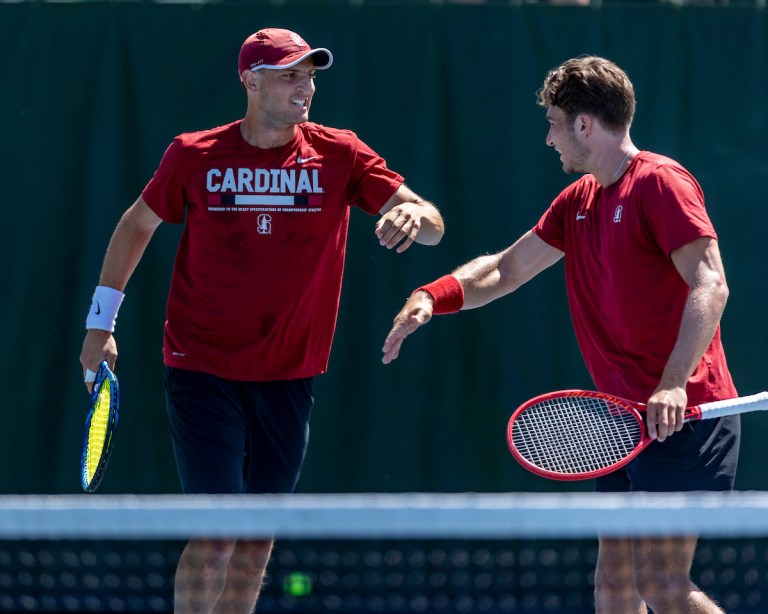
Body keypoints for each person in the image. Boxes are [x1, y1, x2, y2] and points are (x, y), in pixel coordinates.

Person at [79, 28, 444, 613]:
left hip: (289, 374)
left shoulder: (341, 153)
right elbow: (135, 225)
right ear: (252, 81)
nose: (307, 87)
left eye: (310, 75)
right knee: (219, 529)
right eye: (291, 75)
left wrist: (414, 217)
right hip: (202, 368)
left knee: (256, 537)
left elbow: (430, 220)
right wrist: (102, 324)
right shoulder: (194, 155)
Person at [382, 55, 739, 614]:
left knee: (662, 586)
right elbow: (507, 268)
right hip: (623, 422)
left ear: (583, 124)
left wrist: (672, 384)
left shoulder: (661, 184)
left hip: (685, 419)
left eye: (553, 122)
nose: (548, 137)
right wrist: (433, 295)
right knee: (615, 588)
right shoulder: (577, 202)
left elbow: (711, 283)